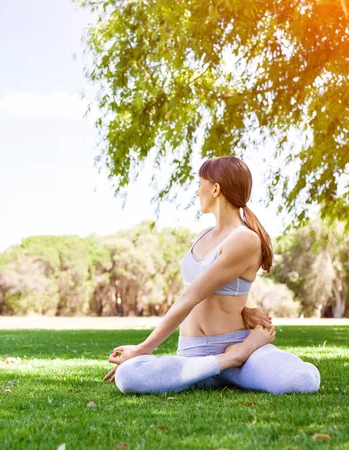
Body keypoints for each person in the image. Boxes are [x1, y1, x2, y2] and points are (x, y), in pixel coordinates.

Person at [103, 156, 320, 395]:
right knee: (128, 376)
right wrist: (243, 313)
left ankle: (236, 357)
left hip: (238, 344)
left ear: (215, 188)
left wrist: (144, 348)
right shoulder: (202, 235)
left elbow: (192, 294)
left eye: (200, 183)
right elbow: (211, 292)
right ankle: (227, 361)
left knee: (302, 380)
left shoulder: (245, 238)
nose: (197, 192)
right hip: (193, 356)